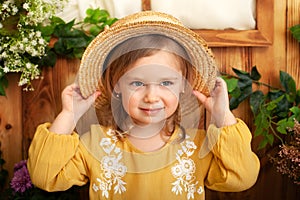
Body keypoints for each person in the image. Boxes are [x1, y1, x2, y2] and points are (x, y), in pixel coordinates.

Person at [27, 11, 260, 200]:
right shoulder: (96, 145)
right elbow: (44, 176)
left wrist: (223, 116)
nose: (151, 96)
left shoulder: (198, 147)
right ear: (117, 85)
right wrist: (69, 115)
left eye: (166, 82)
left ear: (183, 85)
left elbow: (242, 178)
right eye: (138, 82)